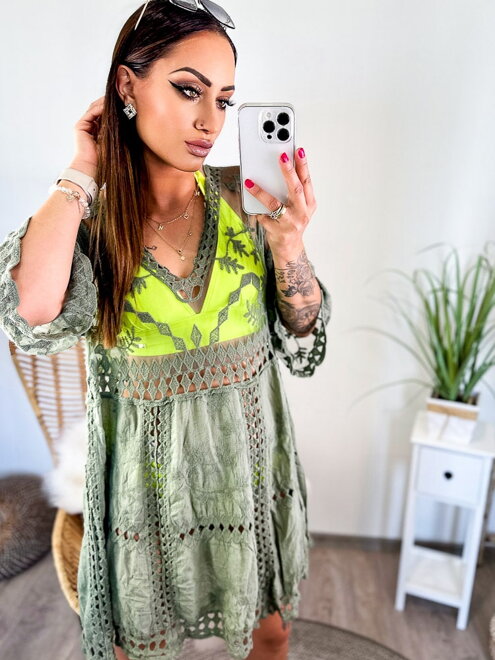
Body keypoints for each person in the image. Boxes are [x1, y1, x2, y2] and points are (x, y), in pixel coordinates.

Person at [0, 2, 332, 659]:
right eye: (187, 90)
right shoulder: (91, 224)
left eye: (224, 100)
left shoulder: (249, 202)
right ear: (127, 85)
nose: (211, 121)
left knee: (270, 633)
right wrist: (84, 165)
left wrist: (290, 247)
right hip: (145, 495)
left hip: (247, 472)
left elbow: (302, 332)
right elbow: (30, 310)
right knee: (139, 646)